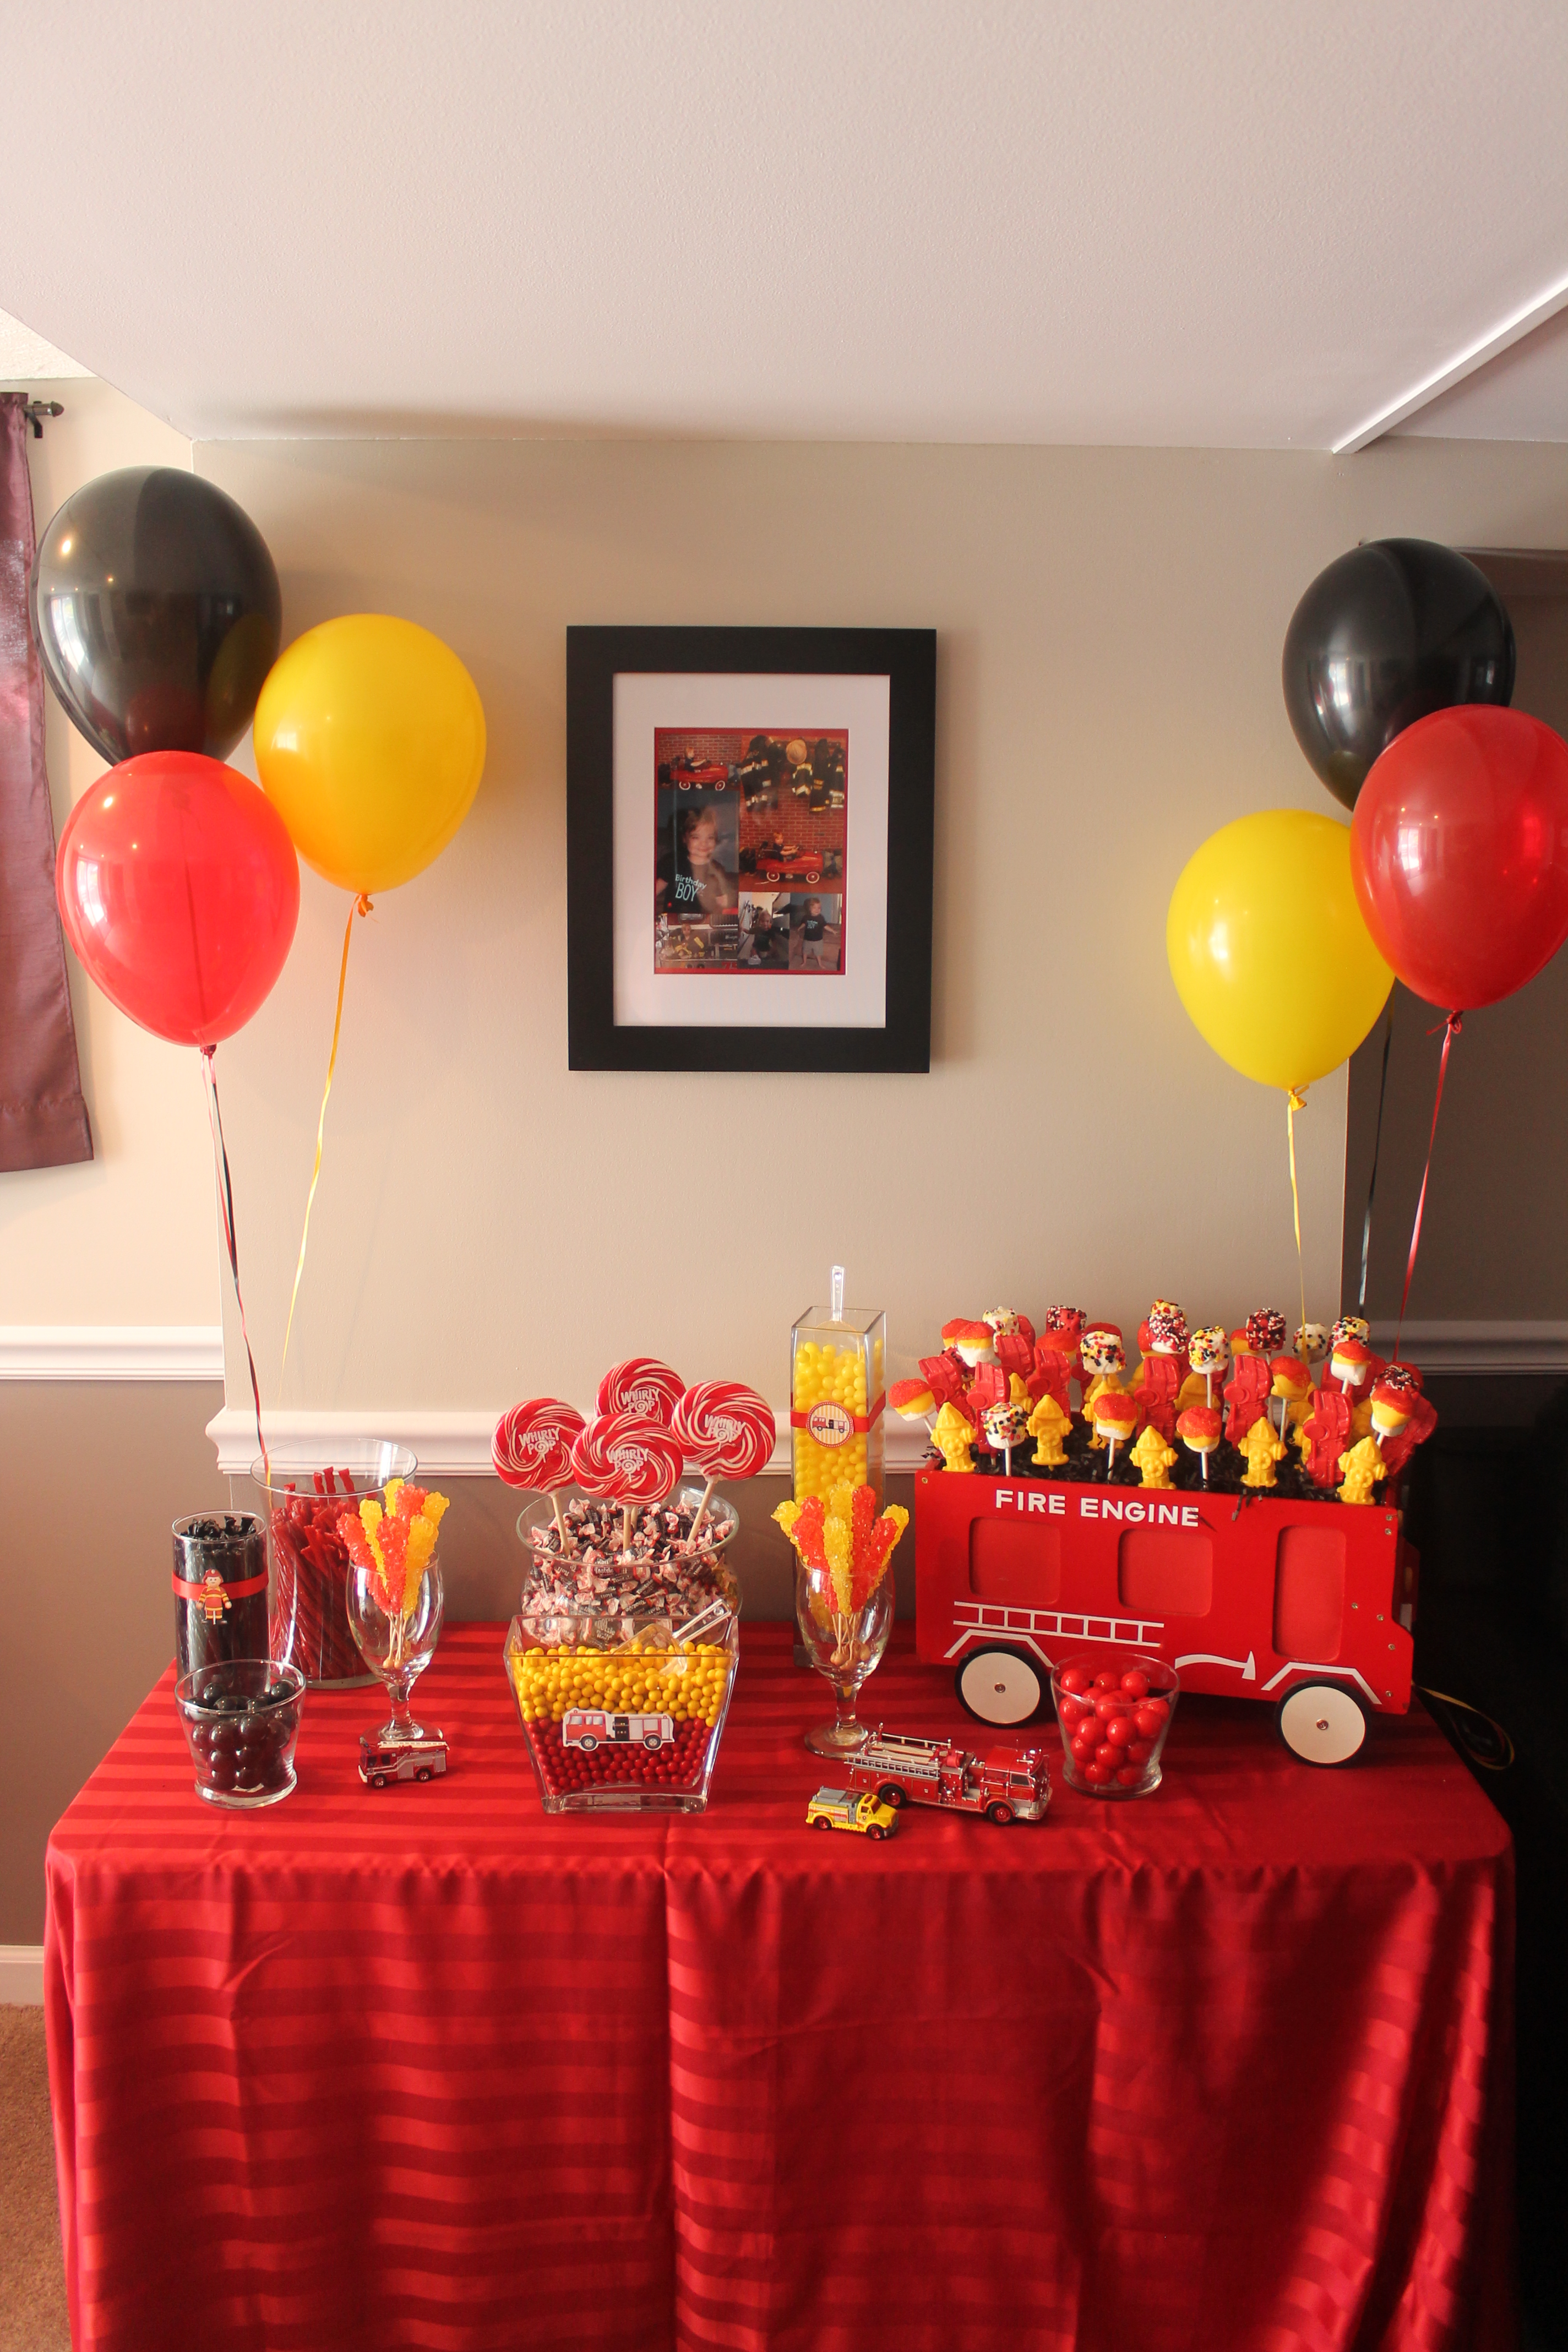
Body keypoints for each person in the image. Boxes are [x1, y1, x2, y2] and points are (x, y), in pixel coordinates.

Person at [656, 802, 737, 919]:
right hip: (674, 919)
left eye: (710, 837)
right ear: (685, 839)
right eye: (696, 837)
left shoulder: (717, 870)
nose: (704, 843)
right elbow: (655, 890)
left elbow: (722, 902)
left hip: (701, 922)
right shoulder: (673, 863)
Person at [797, 896, 830, 968]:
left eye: (819, 908)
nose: (817, 910)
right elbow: (804, 924)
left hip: (818, 940)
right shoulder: (806, 917)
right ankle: (804, 962)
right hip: (807, 939)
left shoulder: (821, 918)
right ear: (810, 909)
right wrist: (800, 928)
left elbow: (826, 926)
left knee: (818, 953)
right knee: (805, 952)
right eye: (814, 908)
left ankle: (820, 964)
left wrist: (833, 931)